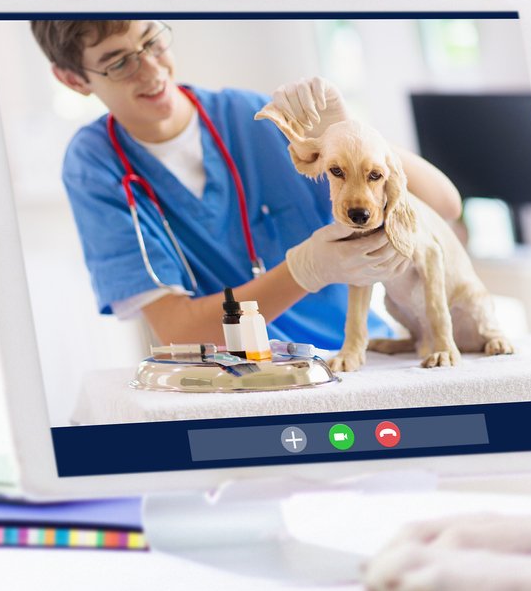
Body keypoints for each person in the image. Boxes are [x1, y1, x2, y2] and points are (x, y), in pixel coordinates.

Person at [32, 19, 463, 350]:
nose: (150, 70)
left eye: (152, 40)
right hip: (243, 383)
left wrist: (352, 134)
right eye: (119, 61)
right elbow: (177, 329)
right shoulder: (96, 165)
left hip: (363, 357)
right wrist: (304, 270)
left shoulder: (256, 118)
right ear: (73, 79)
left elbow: (443, 204)